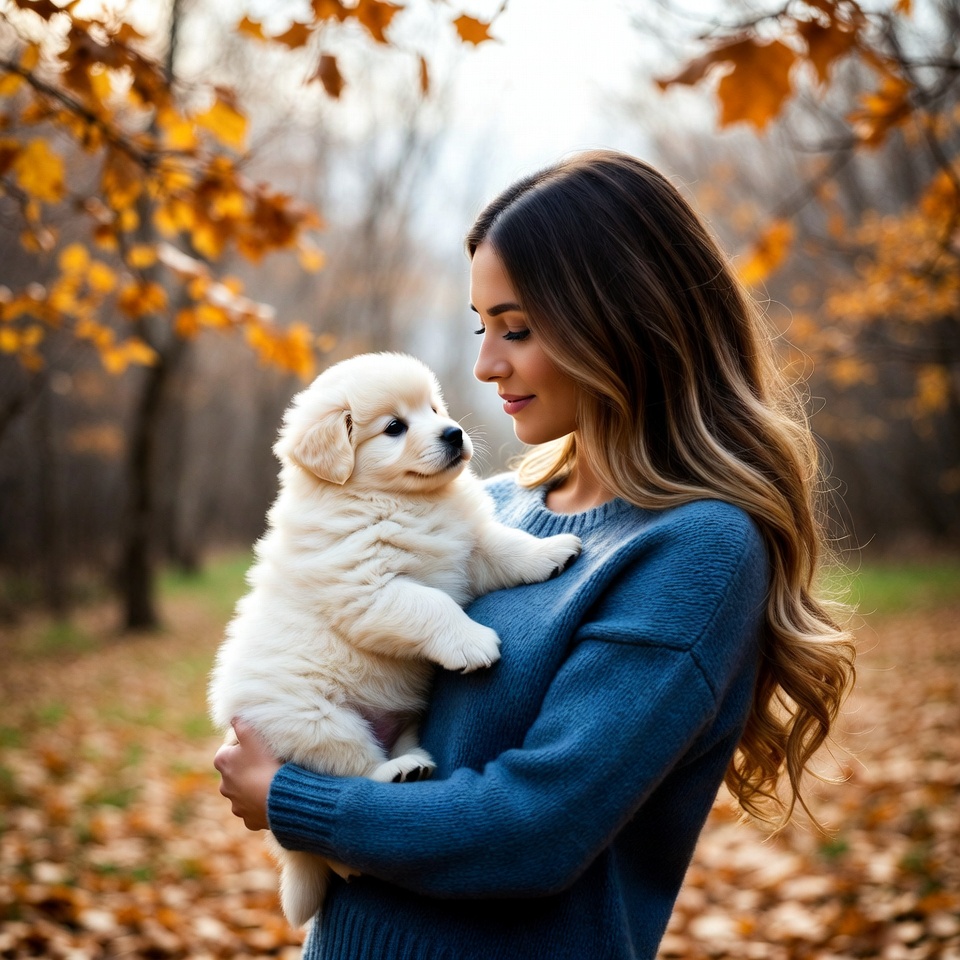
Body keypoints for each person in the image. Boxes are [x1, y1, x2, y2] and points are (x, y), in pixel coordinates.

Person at [214, 149, 856, 960]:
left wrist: (290, 798)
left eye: (516, 330)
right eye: (483, 329)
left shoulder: (696, 550)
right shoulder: (502, 506)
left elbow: (535, 830)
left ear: (624, 320)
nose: (486, 366)